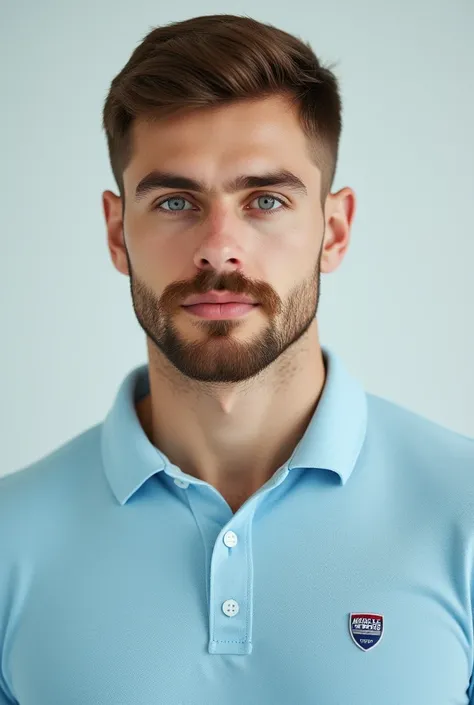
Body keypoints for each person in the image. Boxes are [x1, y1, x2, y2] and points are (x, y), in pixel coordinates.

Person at [0, 13, 473, 705]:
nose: (219, 248)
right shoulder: (11, 536)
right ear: (116, 232)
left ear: (333, 230)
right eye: (175, 200)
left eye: (266, 199)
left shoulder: (464, 510)